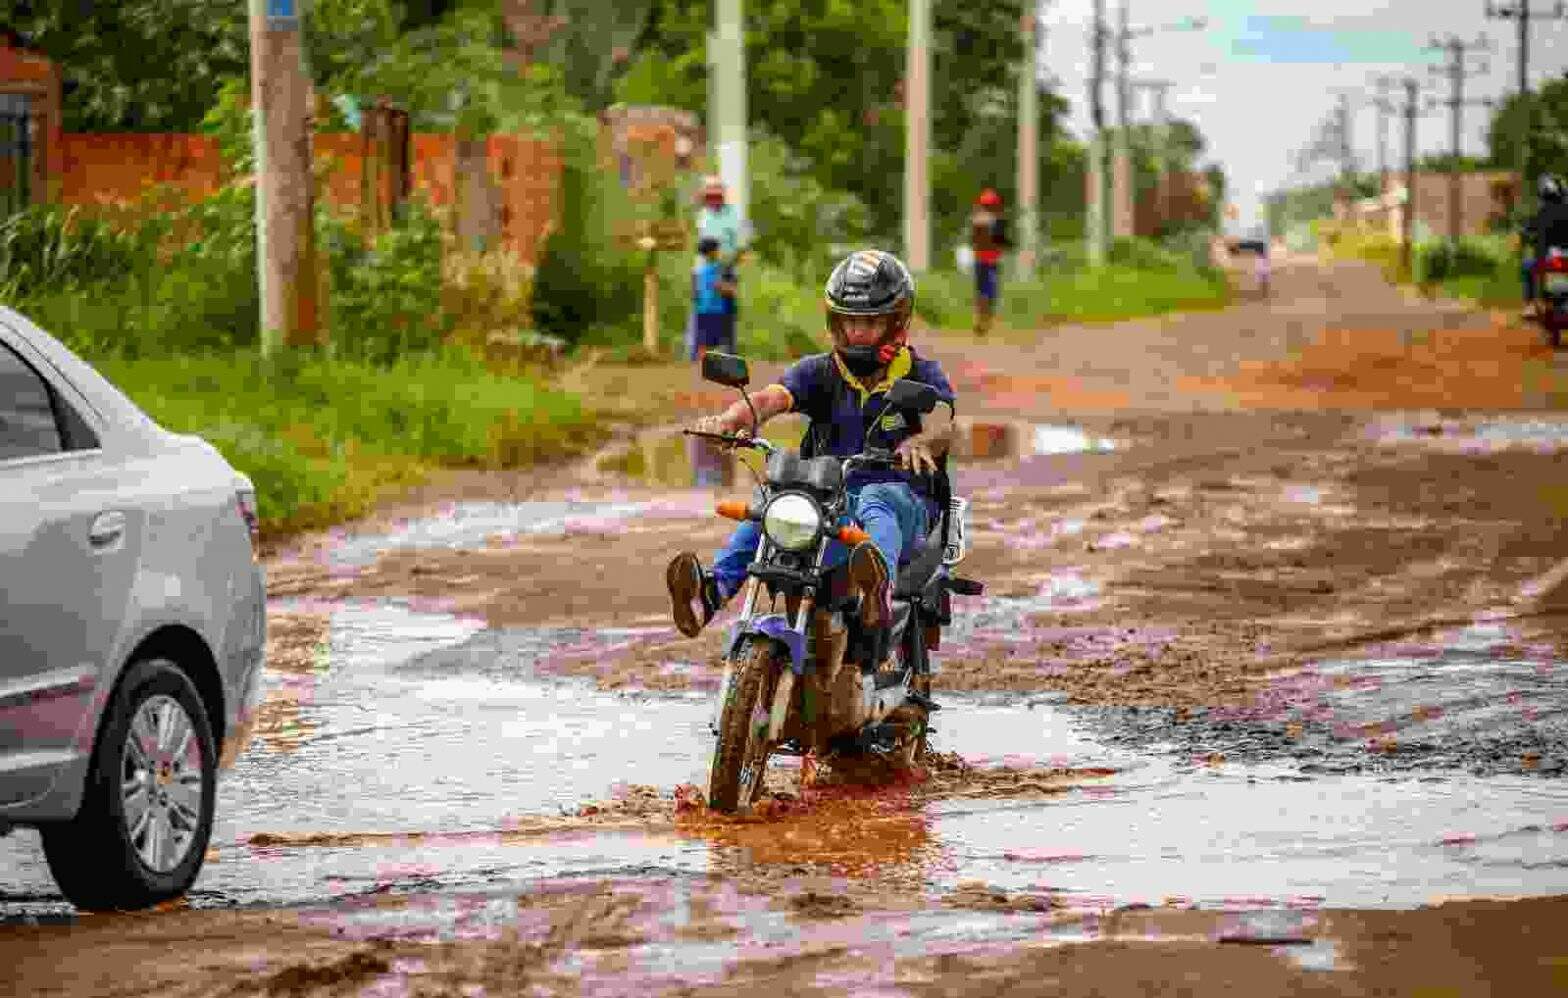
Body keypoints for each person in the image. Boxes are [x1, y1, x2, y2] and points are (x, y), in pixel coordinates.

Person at [665, 249, 957, 645]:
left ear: (897, 322)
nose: (857, 332)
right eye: (848, 321)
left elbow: (943, 418)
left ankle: (878, 592)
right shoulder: (820, 370)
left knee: (876, 498)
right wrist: (730, 422)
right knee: (772, 503)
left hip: (903, 499)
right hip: (829, 498)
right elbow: (769, 399)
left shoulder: (920, 372)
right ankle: (710, 594)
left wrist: (922, 440)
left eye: (870, 322)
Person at [1523, 174, 1568, 316]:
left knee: (1527, 266)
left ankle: (1530, 304)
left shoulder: (1542, 213)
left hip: (1545, 261)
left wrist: (1526, 233)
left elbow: (1529, 229)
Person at [969, 188, 1011, 336]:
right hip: (991, 260)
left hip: (980, 259)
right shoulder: (996, 220)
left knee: (981, 291)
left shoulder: (976, 219)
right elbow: (1001, 240)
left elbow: (973, 240)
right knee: (990, 292)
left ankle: (981, 320)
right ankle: (985, 320)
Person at [690, 237, 737, 361]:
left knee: (706, 343)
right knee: (715, 343)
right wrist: (722, 286)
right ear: (712, 252)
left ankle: (703, 367)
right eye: (717, 249)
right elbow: (730, 289)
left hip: (706, 311)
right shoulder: (719, 268)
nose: (719, 252)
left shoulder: (698, 270)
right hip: (714, 311)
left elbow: (695, 294)